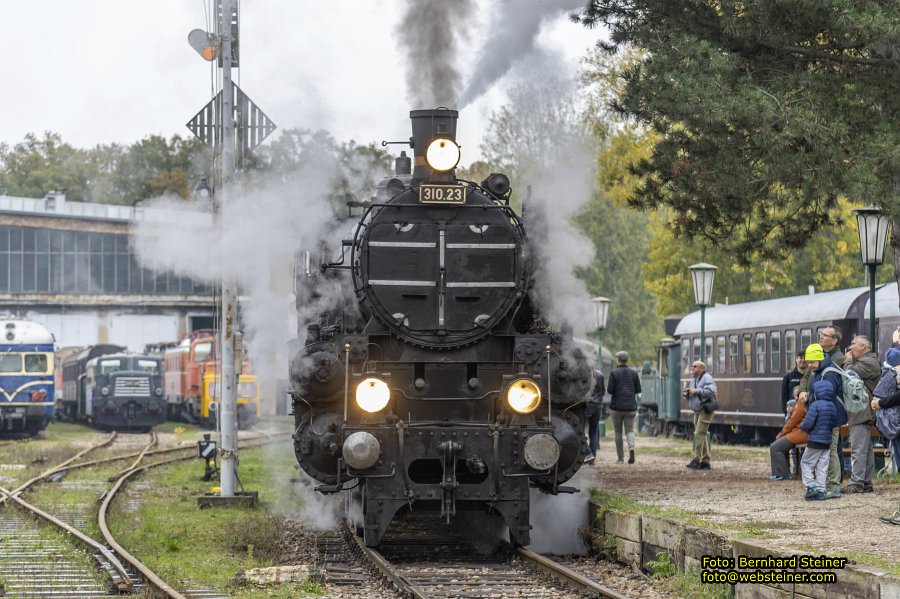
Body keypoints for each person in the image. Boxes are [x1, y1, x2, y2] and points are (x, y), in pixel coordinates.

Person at [798, 342, 846, 499]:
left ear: (819, 358)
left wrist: (810, 401)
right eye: (808, 362)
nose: (810, 365)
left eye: (812, 362)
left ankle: (833, 486)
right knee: (828, 452)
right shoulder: (820, 370)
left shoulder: (828, 373)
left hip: (829, 419)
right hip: (827, 418)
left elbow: (826, 397)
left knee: (831, 451)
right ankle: (826, 485)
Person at [842, 335, 881, 493]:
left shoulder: (869, 362)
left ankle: (857, 482)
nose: (850, 347)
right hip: (861, 410)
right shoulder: (866, 361)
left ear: (864, 347)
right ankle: (866, 481)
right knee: (865, 448)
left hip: (861, 411)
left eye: (854, 344)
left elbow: (849, 374)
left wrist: (848, 360)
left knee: (858, 448)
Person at [799, 379, 839, 500]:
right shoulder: (832, 406)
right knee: (822, 466)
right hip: (827, 441)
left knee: (806, 463)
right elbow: (834, 423)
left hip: (815, 440)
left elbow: (808, 423)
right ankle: (821, 490)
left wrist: (803, 427)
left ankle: (811, 486)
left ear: (816, 394)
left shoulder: (815, 405)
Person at [607, 351, 641, 464]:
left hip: (616, 407)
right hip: (630, 407)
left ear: (618, 359)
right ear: (627, 360)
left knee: (618, 432)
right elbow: (638, 390)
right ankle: (631, 447)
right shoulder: (633, 373)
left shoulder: (614, 373)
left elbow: (610, 390)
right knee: (630, 430)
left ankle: (620, 458)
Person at [685, 360, 717, 470]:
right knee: (700, 435)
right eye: (692, 366)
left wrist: (696, 391)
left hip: (705, 410)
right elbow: (693, 392)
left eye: (695, 367)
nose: (692, 368)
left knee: (699, 434)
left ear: (702, 368)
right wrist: (687, 394)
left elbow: (711, 392)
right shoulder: (694, 379)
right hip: (697, 410)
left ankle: (696, 459)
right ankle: (706, 461)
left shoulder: (707, 377)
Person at [769, 396, 808, 480]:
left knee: (775, 447)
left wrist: (781, 433)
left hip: (799, 433)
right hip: (800, 433)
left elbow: (792, 422)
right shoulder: (805, 402)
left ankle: (782, 474)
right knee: (778, 446)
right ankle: (782, 473)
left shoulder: (800, 404)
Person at [584, 369, 605, 464]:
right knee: (593, 433)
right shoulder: (600, 374)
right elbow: (603, 391)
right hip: (598, 406)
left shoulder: (583, 374)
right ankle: (592, 457)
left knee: (579, 431)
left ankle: (588, 453)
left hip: (587, 405)